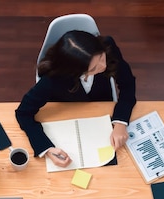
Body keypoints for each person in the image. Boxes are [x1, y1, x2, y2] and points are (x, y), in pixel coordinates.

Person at [15, 30, 136, 168]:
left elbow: (128, 85)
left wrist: (121, 122)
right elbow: (23, 113)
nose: (104, 66)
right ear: (75, 71)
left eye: (102, 58)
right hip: (69, 115)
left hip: (102, 108)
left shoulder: (107, 45)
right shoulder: (52, 79)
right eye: (94, 68)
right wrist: (46, 148)